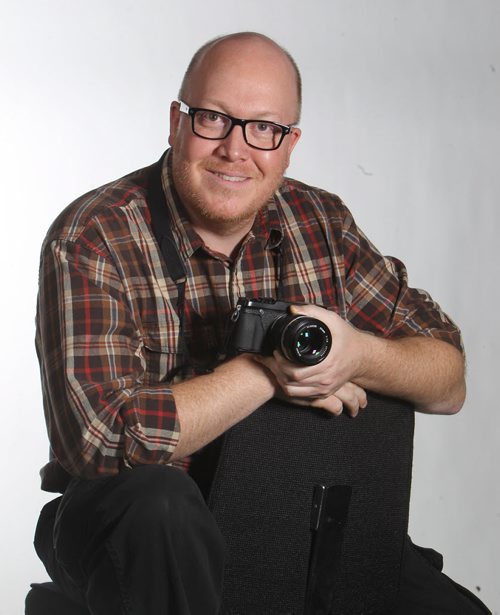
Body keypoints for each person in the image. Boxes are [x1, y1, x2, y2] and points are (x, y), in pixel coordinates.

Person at [32, 31, 490, 614]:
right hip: (132, 522)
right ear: (176, 122)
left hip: (285, 510)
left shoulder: (321, 221)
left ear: (290, 142)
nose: (235, 148)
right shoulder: (95, 233)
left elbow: (448, 380)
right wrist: (267, 374)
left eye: (264, 128)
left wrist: (359, 357)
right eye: (213, 119)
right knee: (160, 504)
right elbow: (99, 440)